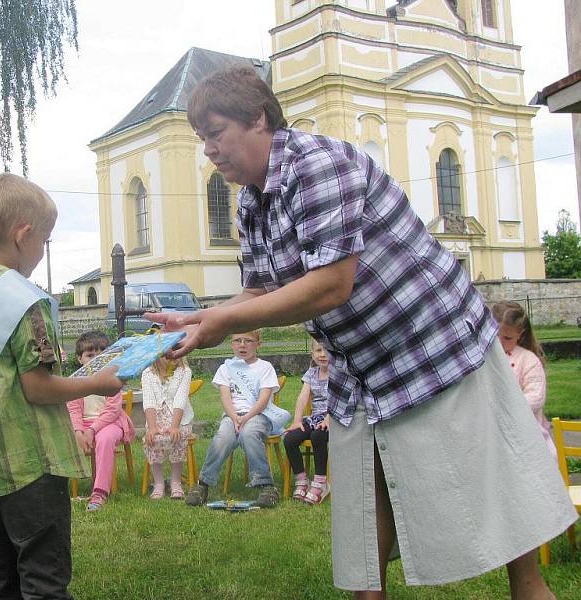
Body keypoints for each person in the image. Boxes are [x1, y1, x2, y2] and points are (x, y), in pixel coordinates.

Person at [152, 66, 577, 598]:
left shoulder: (318, 165)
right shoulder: (251, 201)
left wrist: (226, 320)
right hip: (361, 364)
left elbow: (331, 284)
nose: (209, 150)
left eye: (215, 134)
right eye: (201, 140)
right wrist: (200, 317)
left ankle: (531, 592)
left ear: (258, 118)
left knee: (495, 487)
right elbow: (260, 291)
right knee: (360, 509)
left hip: (435, 341)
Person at [0, 173, 123, 600]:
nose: (42, 251)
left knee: (0, 576)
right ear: (23, 235)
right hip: (31, 468)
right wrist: (98, 382)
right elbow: (37, 388)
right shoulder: (22, 299)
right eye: (44, 241)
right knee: (44, 579)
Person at [185, 330, 283, 508]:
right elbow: (225, 397)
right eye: (237, 340)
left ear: (258, 344)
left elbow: (263, 399)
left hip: (258, 415)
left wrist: (247, 416)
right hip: (233, 416)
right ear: (231, 344)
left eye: (248, 341)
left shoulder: (265, 367)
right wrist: (234, 417)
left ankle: (267, 486)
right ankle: (203, 484)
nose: (242, 345)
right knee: (223, 436)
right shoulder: (226, 368)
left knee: (249, 434)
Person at [66, 331, 135, 511]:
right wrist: (78, 431)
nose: (96, 359)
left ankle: (99, 493)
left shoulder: (112, 380)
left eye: (101, 355)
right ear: (79, 359)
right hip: (84, 426)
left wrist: (92, 430)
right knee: (62, 437)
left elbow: (112, 410)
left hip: (109, 424)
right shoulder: (75, 381)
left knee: (104, 439)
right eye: (90, 355)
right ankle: (60, 489)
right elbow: (73, 410)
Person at [491, 301, 557, 458]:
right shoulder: (485, 357)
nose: (500, 342)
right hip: (492, 431)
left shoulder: (528, 360)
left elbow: (536, 397)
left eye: (507, 338)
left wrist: (504, 407)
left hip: (525, 432)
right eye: (495, 335)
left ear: (520, 334)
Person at [284, 339, 330, 505]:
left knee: (318, 436)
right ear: (312, 353)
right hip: (315, 417)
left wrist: (328, 419)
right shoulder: (312, 373)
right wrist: (297, 420)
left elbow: (341, 399)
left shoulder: (339, 373)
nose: (323, 355)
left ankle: (320, 482)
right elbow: (303, 397)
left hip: (334, 417)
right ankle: (302, 480)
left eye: (327, 351)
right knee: (290, 439)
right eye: (318, 350)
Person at [141, 356, 194, 499]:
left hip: (179, 418)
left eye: (177, 353)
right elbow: (149, 400)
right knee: (152, 439)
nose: (173, 357)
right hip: (156, 419)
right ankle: (158, 483)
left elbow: (180, 399)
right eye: (167, 355)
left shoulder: (184, 371)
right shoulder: (148, 373)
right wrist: (152, 427)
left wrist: (175, 426)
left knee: (177, 436)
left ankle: (175, 482)